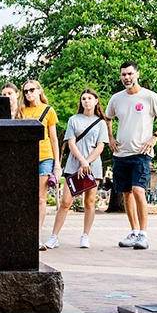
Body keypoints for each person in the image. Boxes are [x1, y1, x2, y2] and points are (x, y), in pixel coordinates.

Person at [106, 62, 157, 250]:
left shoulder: (149, 97)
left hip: (141, 153)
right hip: (121, 153)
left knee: (138, 190)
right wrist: (110, 137)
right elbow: (107, 118)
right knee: (126, 193)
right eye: (123, 75)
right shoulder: (116, 99)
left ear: (137, 74)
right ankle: (133, 232)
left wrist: (154, 138)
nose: (127, 78)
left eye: (129, 74)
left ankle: (143, 234)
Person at [51, 90, 108, 248]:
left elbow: (100, 146)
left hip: (93, 166)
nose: (86, 101)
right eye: (83, 98)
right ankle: (54, 235)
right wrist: (82, 161)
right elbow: (71, 143)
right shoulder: (73, 120)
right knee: (66, 201)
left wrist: (88, 163)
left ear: (96, 101)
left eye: (90, 98)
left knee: (89, 202)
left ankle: (85, 235)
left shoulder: (101, 123)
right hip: (74, 165)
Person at [20, 79, 60, 240]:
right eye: (26, 91)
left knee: (40, 197)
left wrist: (57, 164)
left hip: (45, 156)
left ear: (39, 91)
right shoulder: (21, 112)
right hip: (26, 157)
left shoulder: (48, 110)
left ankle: (36, 233)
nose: (29, 93)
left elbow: (54, 138)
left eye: (31, 90)